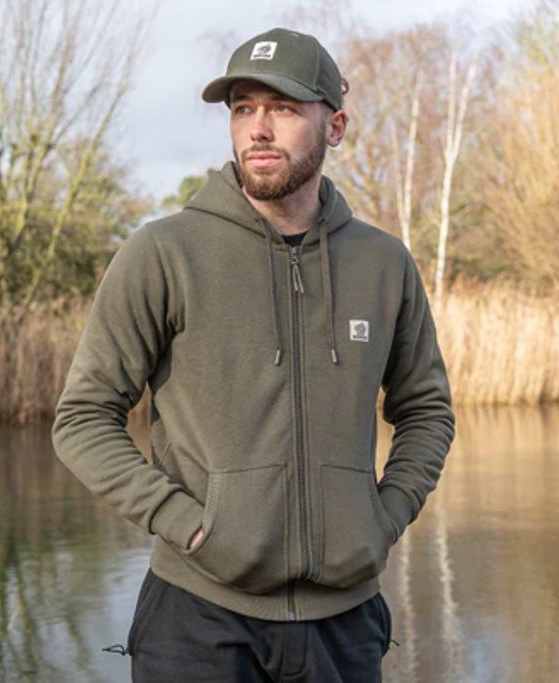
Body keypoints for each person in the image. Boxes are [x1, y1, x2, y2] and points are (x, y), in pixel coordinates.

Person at [51, 27, 455, 682]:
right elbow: (82, 419)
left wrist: (383, 518)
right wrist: (188, 525)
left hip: (346, 624)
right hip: (198, 619)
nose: (258, 129)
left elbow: (428, 410)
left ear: (335, 126)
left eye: (284, 108)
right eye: (243, 108)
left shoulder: (384, 264)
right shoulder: (164, 255)